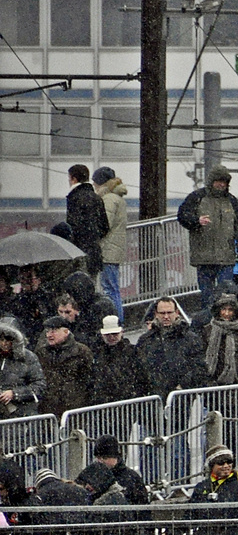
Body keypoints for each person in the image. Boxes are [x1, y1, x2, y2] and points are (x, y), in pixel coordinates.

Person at [176, 165, 238, 304]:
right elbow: (182, 215)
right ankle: (210, 321)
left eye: (224, 182)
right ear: (211, 181)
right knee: (207, 295)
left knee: (226, 295)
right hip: (204, 257)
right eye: (219, 181)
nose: (221, 184)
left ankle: (223, 320)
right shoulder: (197, 197)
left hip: (226, 258)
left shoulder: (232, 201)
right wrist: (196, 221)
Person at [136, 296, 202, 396]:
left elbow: (198, 366)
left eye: (169, 312)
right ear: (156, 314)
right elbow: (139, 370)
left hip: (182, 395)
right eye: (162, 313)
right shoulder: (145, 340)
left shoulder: (190, 338)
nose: (166, 316)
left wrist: (183, 385)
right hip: (154, 397)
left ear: (176, 313)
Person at [36, 315, 93, 418]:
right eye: (47, 331)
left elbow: (89, 380)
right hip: (48, 409)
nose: (49, 335)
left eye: (53, 331)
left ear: (66, 332)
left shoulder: (81, 351)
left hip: (75, 409)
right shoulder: (41, 352)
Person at [92, 166, 127, 322]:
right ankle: (118, 319)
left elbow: (105, 223)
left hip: (108, 249)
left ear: (101, 183)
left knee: (110, 289)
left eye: (95, 183)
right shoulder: (117, 197)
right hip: (114, 249)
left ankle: (116, 321)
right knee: (112, 288)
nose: (94, 186)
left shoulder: (109, 199)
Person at [88, 314, 148, 405]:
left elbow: (143, 378)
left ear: (122, 332)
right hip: (106, 405)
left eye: (114, 334)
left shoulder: (133, 352)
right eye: (107, 335)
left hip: (131, 403)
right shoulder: (96, 355)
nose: (111, 337)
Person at [65, 163, 109, 275]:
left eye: (69, 178)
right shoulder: (96, 198)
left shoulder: (74, 198)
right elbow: (105, 226)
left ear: (74, 179)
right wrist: (93, 238)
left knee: (78, 286)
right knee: (91, 286)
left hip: (78, 252)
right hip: (94, 252)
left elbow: (73, 226)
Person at [0, 319, 45, 418]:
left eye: (8, 339)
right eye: (1, 339)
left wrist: (15, 394)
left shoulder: (28, 357)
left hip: (22, 416)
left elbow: (39, 387)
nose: (4, 343)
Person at [91, 435, 148, 505]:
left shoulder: (132, 478)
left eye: (105, 458)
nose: (101, 461)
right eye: (98, 458)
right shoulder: (92, 476)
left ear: (115, 457)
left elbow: (142, 507)